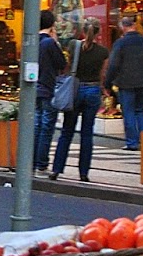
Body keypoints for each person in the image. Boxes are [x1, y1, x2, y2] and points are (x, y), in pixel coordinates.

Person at [51, 17, 108, 181]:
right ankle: (84, 173)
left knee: (67, 131)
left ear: (82, 30)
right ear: (99, 32)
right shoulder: (103, 52)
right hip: (92, 89)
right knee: (87, 133)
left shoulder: (73, 46)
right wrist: (102, 89)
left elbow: (67, 66)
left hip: (75, 89)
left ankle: (56, 169)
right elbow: (102, 75)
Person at [104, 15, 143, 152]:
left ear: (122, 27)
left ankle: (132, 142)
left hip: (126, 82)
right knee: (140, 111)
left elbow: (113, 65)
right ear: (134, 25)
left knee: (128, 112)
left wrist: (107, 83)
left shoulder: (120, 43)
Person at [32, 11, 68, 173]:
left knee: (36, 125)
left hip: (34, 89)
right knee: (46, 127)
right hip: (48, 88)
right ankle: (41, 162)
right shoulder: (49, 43)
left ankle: (31, 160)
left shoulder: (31, 41)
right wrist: (56, 42)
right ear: (52, 25)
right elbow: (61, 63)